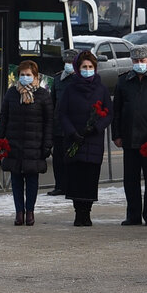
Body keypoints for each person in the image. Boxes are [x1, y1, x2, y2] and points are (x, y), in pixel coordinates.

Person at [112, 45, 147, 226]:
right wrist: (117, 135)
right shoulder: (123, 81)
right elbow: (117, 111)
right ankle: (133, 215)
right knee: (130, 179)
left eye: (142, 61)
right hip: (129, 138)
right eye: (135, 61)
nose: (139, 64)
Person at [58, 50, 112, 226]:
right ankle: (78, 213)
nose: (87, 69)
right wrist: (72, 132)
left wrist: (96, 127)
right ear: (78, 68)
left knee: (90, 179)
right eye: (84, 67)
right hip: (74, 139)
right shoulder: (70, 88)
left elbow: (108, 113)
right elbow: (62, 113)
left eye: (90, 67)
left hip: (93, 140)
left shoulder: (101, 89)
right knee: (75, 178)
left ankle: (87, 213)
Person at [0, 60, 53, 226]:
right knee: (16, 181)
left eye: (29, 75)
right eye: (22, 75)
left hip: (34, 145)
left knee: (32, 181)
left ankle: (30, 212)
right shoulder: (11, 93)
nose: (25, 77)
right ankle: (19, 213)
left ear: (35, 76)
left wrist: (47, 145)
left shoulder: (43, 95)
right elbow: (4, 118)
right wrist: (1, 141)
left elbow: (49, 122)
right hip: (14, 144)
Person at [47, 48, 79, 197]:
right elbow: (52, 103)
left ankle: (72, 186)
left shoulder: (80, 79)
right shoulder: (58, 79)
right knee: (58, 159)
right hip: (59, 127)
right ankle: (59, 186)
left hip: (74, 128)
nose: (68, 64)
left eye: (71, 62)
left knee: (72, 159)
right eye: (66, 62)